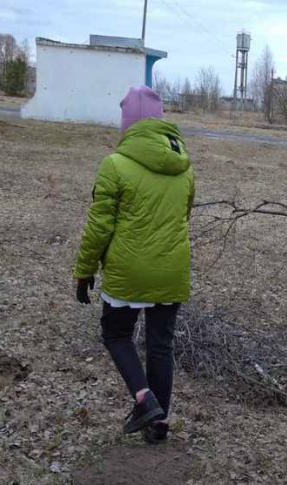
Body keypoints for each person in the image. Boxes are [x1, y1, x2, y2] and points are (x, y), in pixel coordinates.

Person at [72, 86, 195, 444]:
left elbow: (99, 227)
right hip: (172, 270)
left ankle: (144, 400)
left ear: (127, 123)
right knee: (161, 346)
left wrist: (84, 270)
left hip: (129, 270)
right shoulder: (184, 167)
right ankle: (158, 426)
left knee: (116, 334)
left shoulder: (114, 164)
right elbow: (184, 216)